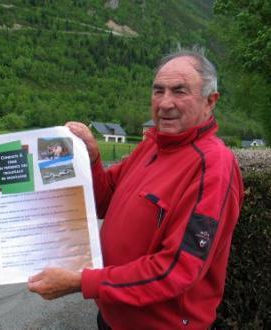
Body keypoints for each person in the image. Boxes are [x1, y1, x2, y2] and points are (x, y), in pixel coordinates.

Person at [28, 50, 244, 329]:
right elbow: (104, 199)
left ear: (210, 101)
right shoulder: (153, 145)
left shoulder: (213, 166)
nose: (165, 103)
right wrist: (92, 159)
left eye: (179, 91)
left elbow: (176, 270)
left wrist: (84, 282)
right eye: (158, 91)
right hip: (111, 317)